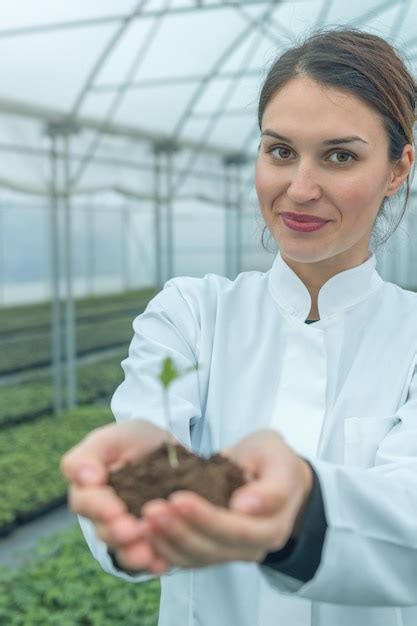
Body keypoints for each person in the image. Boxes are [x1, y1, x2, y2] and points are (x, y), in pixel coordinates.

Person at [60, 26, 417, 626]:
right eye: (280, 151)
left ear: (396, 169)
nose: (299, 189)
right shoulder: (191, 314)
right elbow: (148, 444)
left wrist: (300, 508)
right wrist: (130, 491)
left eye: (340, 156)